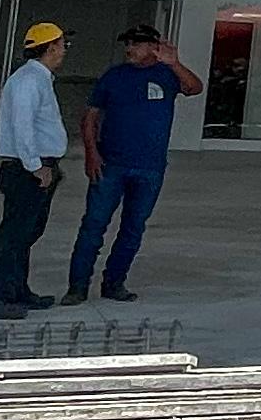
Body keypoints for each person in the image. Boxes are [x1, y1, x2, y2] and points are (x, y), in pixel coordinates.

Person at [63, 22, 200, 306]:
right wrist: (91, 153)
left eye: (136, 44)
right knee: (93, 226)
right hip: (110, 165)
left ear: (154, 47)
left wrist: (175, 64)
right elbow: (90, 117)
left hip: (150, 168)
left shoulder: (167, 75)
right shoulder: (114, 76)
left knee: (133, 228)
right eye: (127, 43)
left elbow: (195, 88)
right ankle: (77, 287)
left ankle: (114, 283)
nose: (129, 49)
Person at [0, 19, 69, 320]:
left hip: (37, 166)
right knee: (14, 234)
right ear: (50, 48)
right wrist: (35, 166)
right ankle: (0, 297)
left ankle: (18, 290)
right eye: (61, 45)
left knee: (26, 233)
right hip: (27, 169)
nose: (64, 50)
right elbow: (23, 127)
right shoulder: (29, 81)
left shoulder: (38, 79)